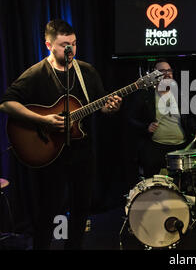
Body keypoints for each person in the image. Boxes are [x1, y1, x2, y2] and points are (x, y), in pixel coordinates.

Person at [0, 19, 122, 249]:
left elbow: (103, 104)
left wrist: (110, 107)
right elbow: (6, 103)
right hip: (48, 153)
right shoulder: (36, 73)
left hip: (82, 151)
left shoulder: (86, 71)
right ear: (48, 45)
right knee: (47, 210)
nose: (71, 50)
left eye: (74, 44)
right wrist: (42, 119)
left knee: (81, 209)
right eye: (64, 45)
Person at [127, 59, 196, 179]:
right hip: (155, 149)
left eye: (169, 71)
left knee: (181, 187)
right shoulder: (145, 96)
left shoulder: (180, 94)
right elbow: (130, 119)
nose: (167, 74)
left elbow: (188, 118)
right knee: (156, 188)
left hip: (180, 148)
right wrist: (146, 127)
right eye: (162, 71)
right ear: (153, 75)